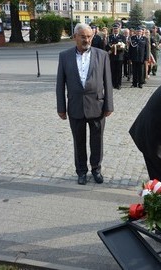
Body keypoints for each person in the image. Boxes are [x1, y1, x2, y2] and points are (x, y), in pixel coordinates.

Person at [56, 23, 114, 185]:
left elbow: (107, 82)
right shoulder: (64, 56)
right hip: (75, 106)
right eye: (83, 36)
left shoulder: (102, 55)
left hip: (97, 106)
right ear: (75, 37)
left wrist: (109, 105)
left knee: (97, 141)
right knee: (78, 141)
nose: (86, 39)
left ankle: (96, 169)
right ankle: (81, 171)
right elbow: (60, 83)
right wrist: (61, 107)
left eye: (89, 36)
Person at [106, 23, 126, 90]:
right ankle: (113, 83)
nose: (115, 30)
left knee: (119, 71)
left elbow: (124, 46)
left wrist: (119, 47)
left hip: (119, 56)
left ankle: (119, 84)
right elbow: (107, 46)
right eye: (114, 29)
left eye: (116, 29)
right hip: (112, 56)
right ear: (113, 29)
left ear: (119, 29)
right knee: (112, 70)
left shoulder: (122, 37)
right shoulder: (110, 37)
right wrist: (109, 50)